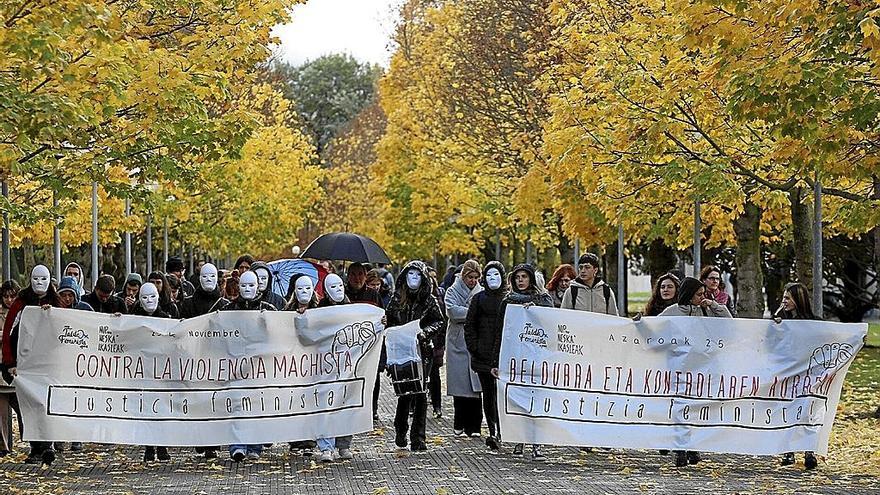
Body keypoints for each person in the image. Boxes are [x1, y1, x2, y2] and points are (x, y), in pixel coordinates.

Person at [658, 276, 731, 467]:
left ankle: (692, 446)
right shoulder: (672, 312)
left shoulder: (705, 311)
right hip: (679, 367)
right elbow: (653, 329)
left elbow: (728, 322)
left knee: (696, 407)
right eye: (699, 294)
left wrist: (713, 304)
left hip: (701, 368)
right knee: (681, 407)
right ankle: (681, 448)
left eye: (703, 294)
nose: (702, 297)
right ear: (689, 295)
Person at [1, 265, 61, 465]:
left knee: (46, 404)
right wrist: (10, 363)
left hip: (48, 365)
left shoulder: (56, 301)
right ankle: (38, 446)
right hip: (25, 364)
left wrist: (51, 314)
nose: (39, 283)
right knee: (29, 406)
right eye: (35, 278)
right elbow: (9, 333)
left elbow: (67, 327)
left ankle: (46, 445)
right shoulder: (20, 302)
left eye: (43, 279)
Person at [386, 261, 444, 452]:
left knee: (420, 393)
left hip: (422, 350)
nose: (414, 279)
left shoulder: (429, 300)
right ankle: (400, 429)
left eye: (418, 275)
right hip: (401, 350)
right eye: (410, 275)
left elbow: (439, 321)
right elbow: (389, 322)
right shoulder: (397, 299)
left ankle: (418, 437)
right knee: (404, 392)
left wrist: (425, 333)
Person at [220, 271, 274, 461]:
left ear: (258, 286)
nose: (247, 289)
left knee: (256, 406)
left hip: (259, 367)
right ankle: (237, 444)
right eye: (243, 285)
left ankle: (254, 446)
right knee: (236, 405)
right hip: (235, 365)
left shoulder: (268, 309)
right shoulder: (228, 309)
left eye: (251, 285)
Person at [502, 264, 553, 459]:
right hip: (515, 358)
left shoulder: (543, 300)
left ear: (531, 279)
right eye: (517, 277)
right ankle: (518, 439)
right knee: (518, 400)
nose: (520, 280)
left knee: (537, 401)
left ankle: (536, 442)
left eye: (524, 277)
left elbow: (551, 323)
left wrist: (536, 312)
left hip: (538, 359)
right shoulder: (508, 302)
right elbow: (501, 331)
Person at [178, 263, 227, 460]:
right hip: (195, 358)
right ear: (199, 278)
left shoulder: (224, 305)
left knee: (215, 401)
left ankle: (212, 443)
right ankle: (200, 439)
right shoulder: (189, 304)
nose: (209, 280)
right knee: (198, 401)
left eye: (213, 276)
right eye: (205, 276)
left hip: (216, 360)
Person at [774, 282, 819, 470]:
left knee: (807, 412)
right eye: (783, 298)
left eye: (787, 298)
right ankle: (789, 452)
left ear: (798, 300)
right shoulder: (780, 321)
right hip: (787, 376)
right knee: (787, 412)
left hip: (808, 376)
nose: (784, 301)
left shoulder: (814, 323)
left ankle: (809, 451)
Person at [465, 262, 507, 452]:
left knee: (502, 395)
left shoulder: (509, 299)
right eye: (489, 276)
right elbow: (470, 326)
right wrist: (475, 348)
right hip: (483, 356)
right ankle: (493, 430)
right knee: (488, 395)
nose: (492, 279)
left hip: (504, 355)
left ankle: (504, 429)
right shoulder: (479, 299)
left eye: (496, 275)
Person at [315, 274, 355, 462]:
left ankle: (344, 444)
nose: (338, 289)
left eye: (340, 285)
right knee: (326, 405)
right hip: (325, 365)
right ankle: (326, 447)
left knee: (345, 404)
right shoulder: (318, 311)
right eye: (333, 286)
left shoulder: (353, 309)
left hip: (346, 364)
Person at [130, 283, 172, 462]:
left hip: (161, 371)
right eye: (145, 298)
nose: (149, 301)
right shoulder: (132, 318)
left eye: (153, 297)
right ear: (139, 300)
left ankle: (162, 446)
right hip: (141, 371)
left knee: (161, 408)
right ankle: (148, 447)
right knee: (146, 409)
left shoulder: (166, 317)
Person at [445, 260, 484, 436]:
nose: (473, 281)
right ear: (463, 276)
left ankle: (474, 426)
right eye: (470, 277)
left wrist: (467, 313)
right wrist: (473, 313)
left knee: (476, 387)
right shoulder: (452, 290)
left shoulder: (481, 292)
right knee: (460, 385)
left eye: (476, 277)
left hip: (474, 340)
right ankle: (459, 423)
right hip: (457, 342)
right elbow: (452, 312)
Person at [283, 273, 319, 457]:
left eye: (307, 288)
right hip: (292, 364)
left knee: (310, 400)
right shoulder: (286, 311)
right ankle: (295, 439)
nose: (304, 292)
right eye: (300, 288)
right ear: (294, 292)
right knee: (294, 401)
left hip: (313, 363)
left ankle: (310, 438)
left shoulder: (320, 310)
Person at [361, 268, 387, 420]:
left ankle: (373, 407)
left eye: (378, 284)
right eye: (373, 284)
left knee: (374, 377)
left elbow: (384, 314)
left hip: (374, 343)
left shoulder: (376, 297)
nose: (376, 287)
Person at [0, 280, 21, 457]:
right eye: (5, 296)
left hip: (18, 366)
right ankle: (4, 446)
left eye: (12, 296)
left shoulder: (23, 312)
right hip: (2, 366)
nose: (8, 300)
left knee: (22, 406)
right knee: (1, 410)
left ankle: (33, 440)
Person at [427, 266, 447, 419]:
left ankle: (437, 405)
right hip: (420, 343)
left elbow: (442, 322)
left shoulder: (438, 300)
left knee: (434, 375)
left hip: (435, 342)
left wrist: (440, 343)